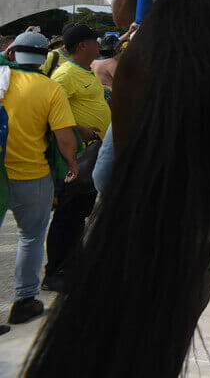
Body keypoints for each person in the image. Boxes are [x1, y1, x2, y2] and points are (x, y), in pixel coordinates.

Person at [1, 32, 79, 328]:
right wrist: (72, 163)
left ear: (13, 52)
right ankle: (24, 301)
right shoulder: (49, 88)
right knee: (30, 237)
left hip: (0, 173)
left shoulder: (0, 78)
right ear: (44, 56)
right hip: (33, 175)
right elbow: (63, 136)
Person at [44, 23, 112, 293]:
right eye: (94, 41)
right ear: (82, 45)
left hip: (91, 154)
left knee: (80, 212)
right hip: (75, 158)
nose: (99, 45)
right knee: (68, 214)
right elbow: (48, 110)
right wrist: (77, 128)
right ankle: (55, 271)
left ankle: (72, 264)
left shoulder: (86, 70)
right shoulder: (64, 75)